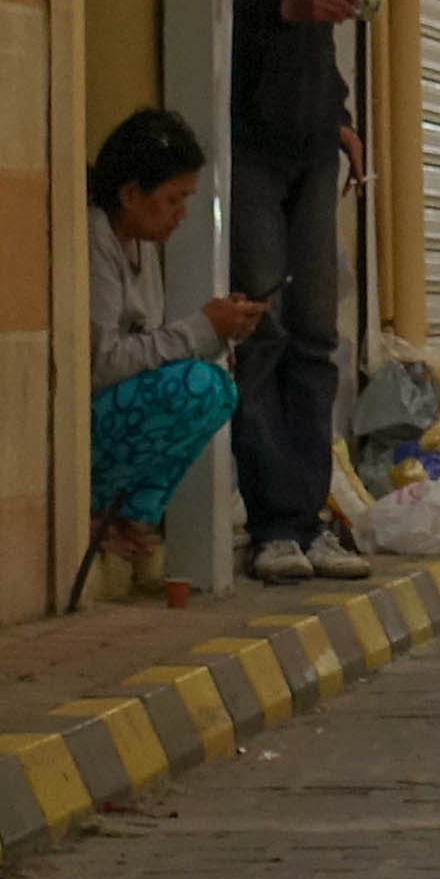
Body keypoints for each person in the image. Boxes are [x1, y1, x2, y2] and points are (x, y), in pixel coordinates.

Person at [234, 0, 376, 585]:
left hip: (313, 136)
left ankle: (310, 514)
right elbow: (224, 4)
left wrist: (343, 116)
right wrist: (284, 7)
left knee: (319, 332)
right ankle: (271, 525)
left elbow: (317, 18)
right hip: (251, 139)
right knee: (263, 327)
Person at [87, 105, 267, 597]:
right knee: (196, 386)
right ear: (129, 194)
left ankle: (126, 515)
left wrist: (216, 334)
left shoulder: (142, 246)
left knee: (217, 392)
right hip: (86, 417)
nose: (181, 214)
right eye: (173, 199)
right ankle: (95, 504)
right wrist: (199, 330)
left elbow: (149, 346)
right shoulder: (95, 241)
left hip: (113, 408)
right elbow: (104, 364)